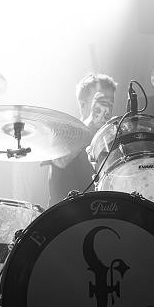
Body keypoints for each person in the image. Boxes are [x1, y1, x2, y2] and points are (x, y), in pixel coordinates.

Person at [47, 73, 117, 207]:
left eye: (111, 102)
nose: (107, 109)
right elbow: (59, 164)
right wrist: (89, 125)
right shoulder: (65, 133)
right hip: (67, 213)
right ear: (83, 104)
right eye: (101, 101)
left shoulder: (111, 138)